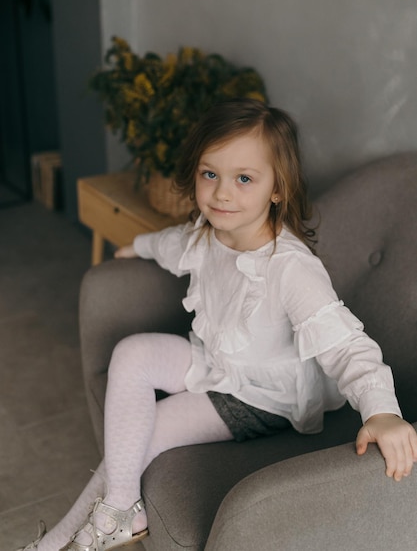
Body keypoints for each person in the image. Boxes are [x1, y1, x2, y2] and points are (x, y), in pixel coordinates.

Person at [19, 98, 417, 551]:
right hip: (216, 361)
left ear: (277, 190)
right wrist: (139, 247)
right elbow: (173, 244)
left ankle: (57, 542)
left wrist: (382, 412)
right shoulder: (209, 233)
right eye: (211, 174)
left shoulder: (290, 269)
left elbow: (347, 345)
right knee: (131, 352)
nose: (222, 193)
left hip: (261, 396)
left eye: (244, 179)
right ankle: (124, 507)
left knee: (148, 431)